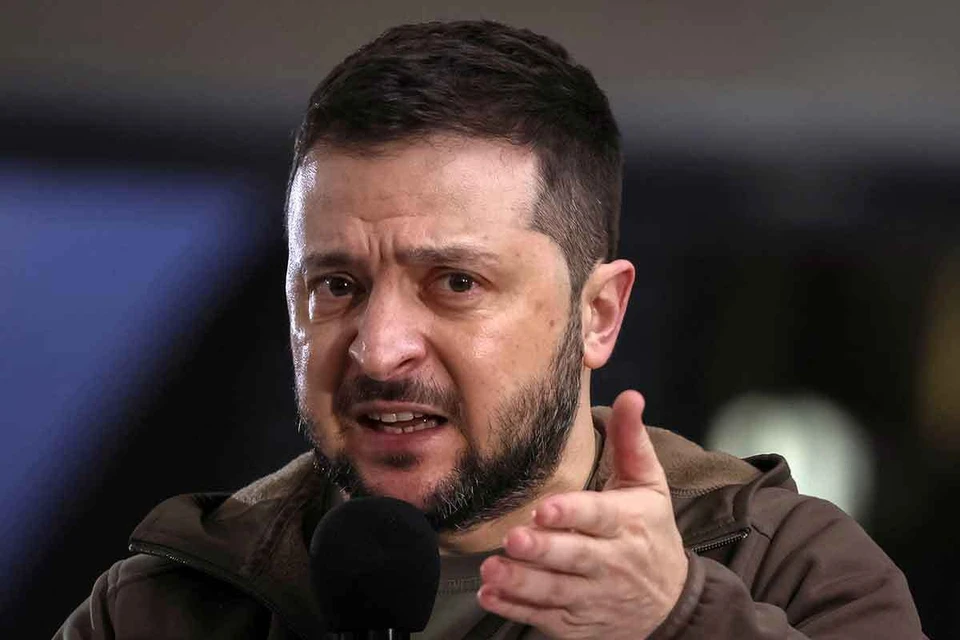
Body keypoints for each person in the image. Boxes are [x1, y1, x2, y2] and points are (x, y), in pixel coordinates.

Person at [56, 20, 925, 639]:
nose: (379, 348)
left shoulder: (786, 569)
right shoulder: (162, 607)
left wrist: (678, 621)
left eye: (456, 283)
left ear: (597, 314)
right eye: (336, 285)